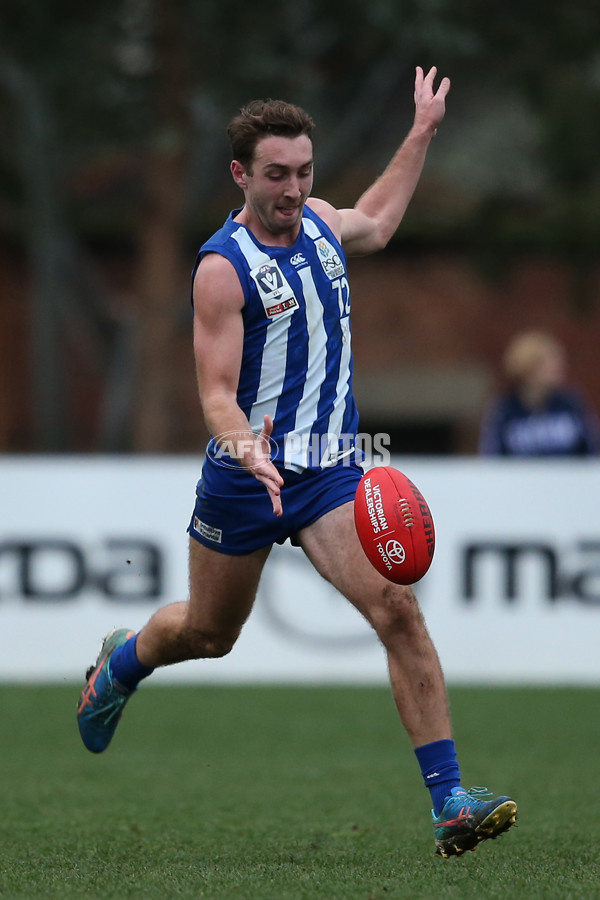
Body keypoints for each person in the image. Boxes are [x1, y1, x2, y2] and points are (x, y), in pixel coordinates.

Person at [77, 67, 517, 858]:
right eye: (276, 174)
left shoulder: (318, 222)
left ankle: (451, 802)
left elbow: (376, 220)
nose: (293, 188)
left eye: (304, 171)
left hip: (329, 475)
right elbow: (214, 393)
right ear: (241, 173)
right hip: (245, 477)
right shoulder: (222, 268)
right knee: (211, 635)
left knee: (398, 609)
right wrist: (248, 447)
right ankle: (122, 663)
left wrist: (421, 131)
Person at [479, 330, 600, 456]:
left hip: (568, 475)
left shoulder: (570, 403)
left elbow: (591, 448)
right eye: (549, 363)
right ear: (529, 366)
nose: (558, 367)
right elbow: (492, 455)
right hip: (520, 475)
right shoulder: (505, 409)